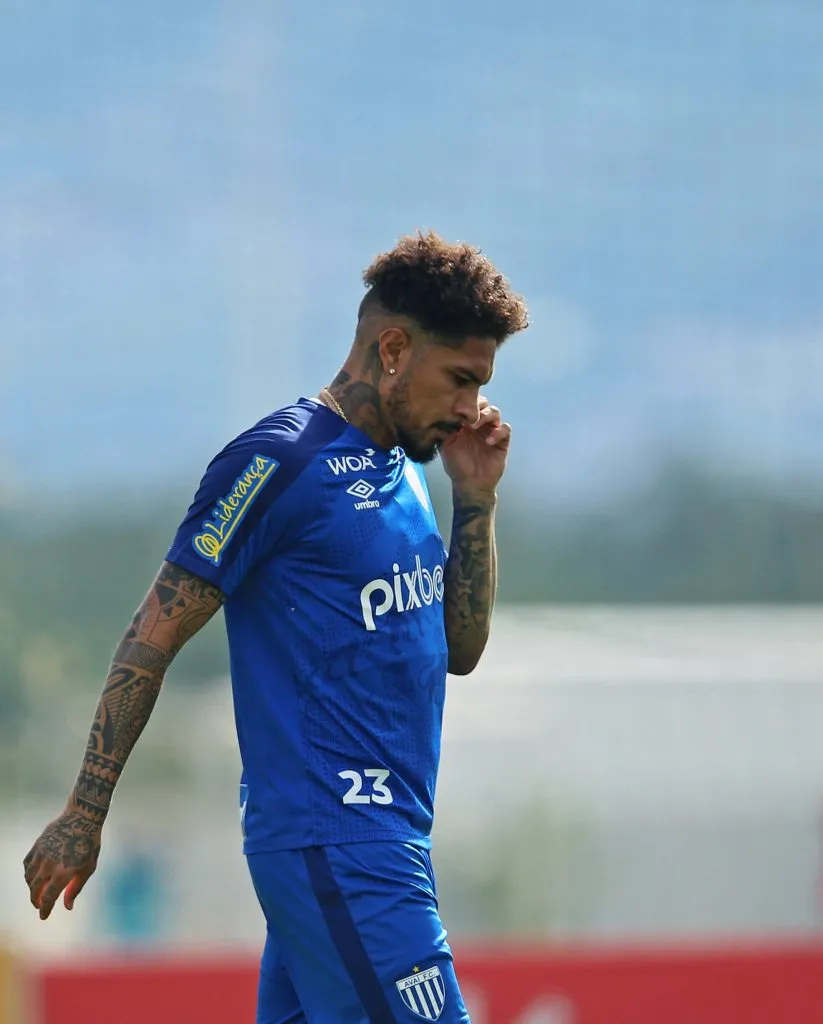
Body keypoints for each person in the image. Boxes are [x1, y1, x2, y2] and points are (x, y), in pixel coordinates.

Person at [23, 230, 528, 1023]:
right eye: (459, 379)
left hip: (373, 841)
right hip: (340, 842)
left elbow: (457, 651)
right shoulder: (277, 462)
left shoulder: (407, 469)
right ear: (392, 349)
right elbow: (151, 634)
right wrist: (85, 813)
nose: (471, 407)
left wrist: (476, 500)